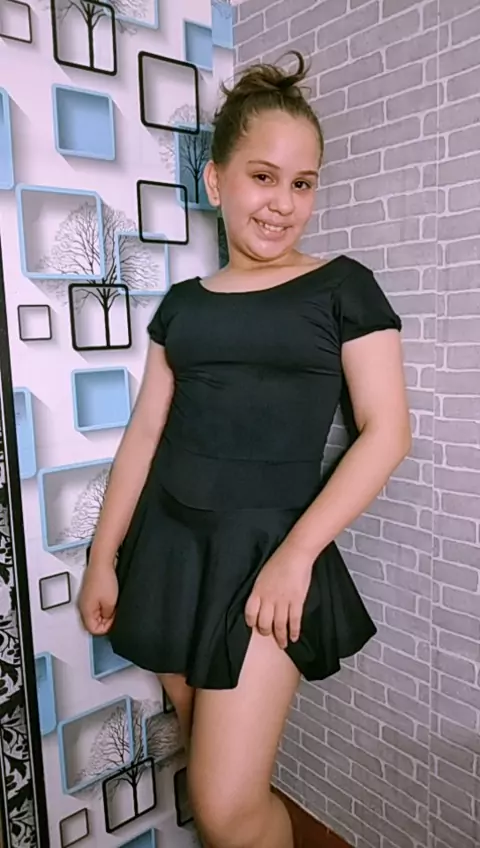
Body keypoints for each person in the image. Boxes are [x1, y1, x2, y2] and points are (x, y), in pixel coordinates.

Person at [78, 51, 411, 848]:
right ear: (216, 181)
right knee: (209, 767)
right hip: (169, 551)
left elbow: (389, 431)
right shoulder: (183, 306)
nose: (283, 202)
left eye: (303, 183)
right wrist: (103, 557)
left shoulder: (343, 286)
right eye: (264, 177)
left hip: (268, 556)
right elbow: (145, 436)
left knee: (226, 806)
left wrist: (298, 555)